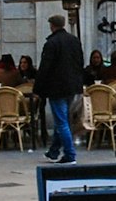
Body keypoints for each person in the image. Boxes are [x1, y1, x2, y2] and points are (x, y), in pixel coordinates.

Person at [35, 13, 85, 164]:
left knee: (62, 121)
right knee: (62, 119)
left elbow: (45, 68)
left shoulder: (51, 43)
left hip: (56, 87)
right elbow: (80, 63)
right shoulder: (74, 41)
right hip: (72, 87)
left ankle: (70, 154)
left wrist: (38, 89)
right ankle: (53, 151)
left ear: (52, 25)